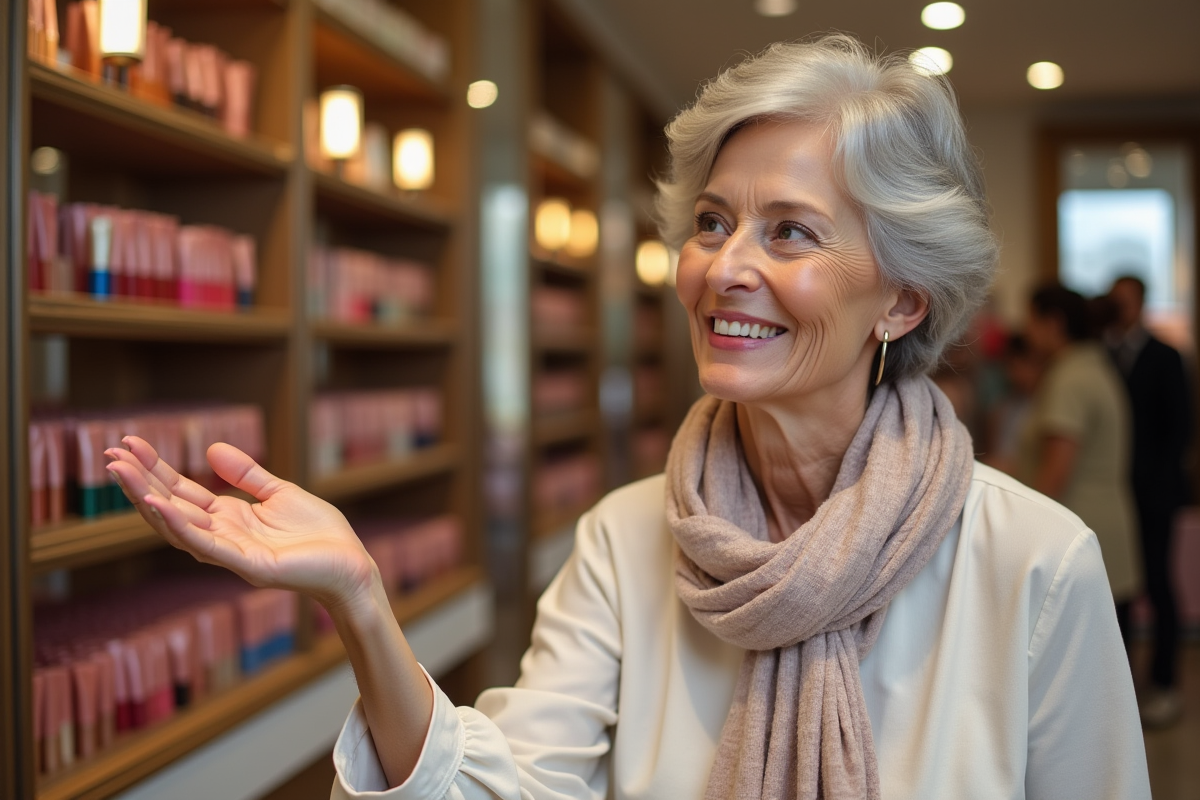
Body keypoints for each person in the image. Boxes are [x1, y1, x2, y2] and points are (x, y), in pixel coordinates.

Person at [105, 36, 1150, 799]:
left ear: (903, 300)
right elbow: (496, 790)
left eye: (790, 233)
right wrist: (363, 603)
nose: (725, 267)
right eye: (712, 221)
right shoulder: (625, 539)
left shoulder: (1033, 561)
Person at [1018, 285, 1142, 644]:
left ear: (1053, 324)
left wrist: (1023, 535)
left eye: (1031, 321)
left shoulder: (1070, 378)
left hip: (1081, 526)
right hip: (1105, 521)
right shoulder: (1092, 366)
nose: (1026, 332)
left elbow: (1055, 473)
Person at [1107, 274, 1191, 727]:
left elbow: (1180, 425)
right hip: (1116, 491)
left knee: (1159, 584)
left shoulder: (1166, 356)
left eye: (1126, 301)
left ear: (1140, 304)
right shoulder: (1101, 356)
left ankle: (1164, 682)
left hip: (1156, 493)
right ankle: (1122, 683)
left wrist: (1157, 481)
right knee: (1118, 587)